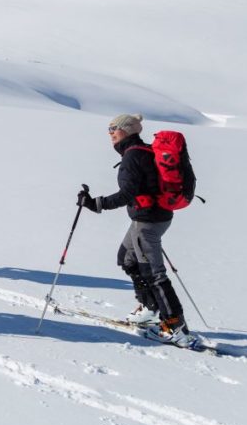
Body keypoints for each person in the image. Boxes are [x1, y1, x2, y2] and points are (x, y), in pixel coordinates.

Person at [77, 114, 199, 349]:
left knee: (155, 274)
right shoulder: (140, 150)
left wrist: (95, 203)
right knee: (127, 258)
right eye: (109, 128)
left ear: (127, 130)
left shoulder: (133, 155)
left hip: (148, 222)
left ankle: (175, 328)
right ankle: (151, 308)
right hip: (150, 218)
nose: (110, 132)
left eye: (114, 128)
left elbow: (127, 194)